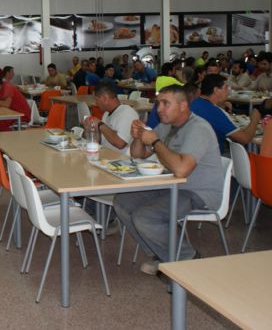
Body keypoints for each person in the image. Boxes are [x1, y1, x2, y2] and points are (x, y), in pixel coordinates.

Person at [114, 85, 223, 275]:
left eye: (166, 104)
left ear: (183, 106)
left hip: (198, 192)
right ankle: (161, 254)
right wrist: (139, 136)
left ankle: (189, 257)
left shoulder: (198, 129)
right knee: (122, 202)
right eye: (158, 104)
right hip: (170, 185)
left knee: (146, 216)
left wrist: (155, 142)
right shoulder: (165, 126)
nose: (159, 109)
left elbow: (181, 170)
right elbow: (137, 155)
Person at [190, 74, 260, 153]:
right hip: (213, 157)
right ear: (216, 90)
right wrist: (255, 120)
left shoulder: (195, 103)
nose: (229, 90)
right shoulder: (213, 111)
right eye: (226, 87)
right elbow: (245, 139)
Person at [85, 83, 138, 155]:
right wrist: (92, 129)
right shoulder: (106, 113)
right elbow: (101, 142)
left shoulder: (127, 113)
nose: (96, 103)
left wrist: (100, 124)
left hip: (120, 161)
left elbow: (120, 143)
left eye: (96, 99)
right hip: (106, 156)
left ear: (104, 98)